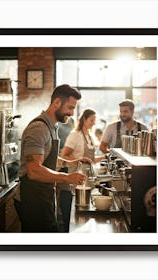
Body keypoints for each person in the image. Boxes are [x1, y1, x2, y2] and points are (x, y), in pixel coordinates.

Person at [18, 84, 87, 232]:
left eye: (74, 108)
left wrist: (73, 162)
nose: (72, 113)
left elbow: (48, 160)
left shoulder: (52, 127)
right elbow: (34, 170)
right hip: (33, 199)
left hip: (44, 196)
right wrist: (67, 177)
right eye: (70, 107)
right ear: (56, 103)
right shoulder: (38, 128)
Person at [58, 109, 105, 232]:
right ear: (84, 119)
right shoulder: (75, 135)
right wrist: (79, 159)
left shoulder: (90, 135)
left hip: (86, 181)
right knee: (72, 214)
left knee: (82, 215)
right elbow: (64, 155)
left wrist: (106, 156)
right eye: (91, 120)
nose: (93, 123)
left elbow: (91, 159)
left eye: (95, 120)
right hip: (74, 178)